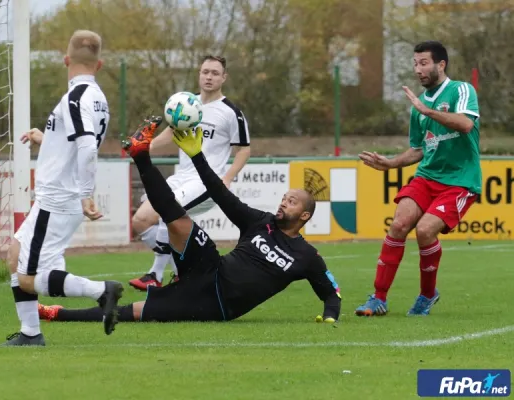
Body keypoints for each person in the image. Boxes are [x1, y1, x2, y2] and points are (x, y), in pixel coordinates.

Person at [36, 116, 341, 324]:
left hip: (215, 306)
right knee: (178, 222)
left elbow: (330, 293)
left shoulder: (306, 256)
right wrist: (197, 157)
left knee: (135, 313)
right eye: (284, 197)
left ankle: (56, 313)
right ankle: (141, 156)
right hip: (210, 268)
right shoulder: (261, 222)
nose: (283, 202)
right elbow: (221, 194)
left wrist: (330, 315)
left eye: (291, 202)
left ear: (303, 216)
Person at [2, 30, 124, 347]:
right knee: (14, 255)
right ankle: (30, 333)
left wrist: (86, 193)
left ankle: (101, 291)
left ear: (65, 59)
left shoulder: (76, 97)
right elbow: (77, 141)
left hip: (58, 198)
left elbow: (87, 148)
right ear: (100, 64)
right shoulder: (97, 98)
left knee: (28, 280)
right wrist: (49, 139)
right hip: (57, 197)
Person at [355, 40, 481, 317]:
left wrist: (429, 111)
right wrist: (391, 164)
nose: (418, 70)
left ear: (441, 64)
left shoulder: (461, 89)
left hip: (460, 180)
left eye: (423, 63)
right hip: (427, 177)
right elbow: (419, 149)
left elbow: (466, 123)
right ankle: (378, 299)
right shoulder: (419, 105)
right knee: (399, 224)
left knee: (424, 231)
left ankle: (427, 295)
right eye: (415, 64)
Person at [129, 55, 251, 291]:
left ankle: (155, 274)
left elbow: (244, 150)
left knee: (168, 214)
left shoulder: (231, 112)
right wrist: (146, 146)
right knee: (141, 220)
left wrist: (227, 178)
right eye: (205, 71)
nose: (209, 76)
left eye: (215, 73)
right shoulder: (187, 103)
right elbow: (171, 133)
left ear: (224, 78)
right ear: (199, 74)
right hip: (182, 177)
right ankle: (183, 273)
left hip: (208, 182)